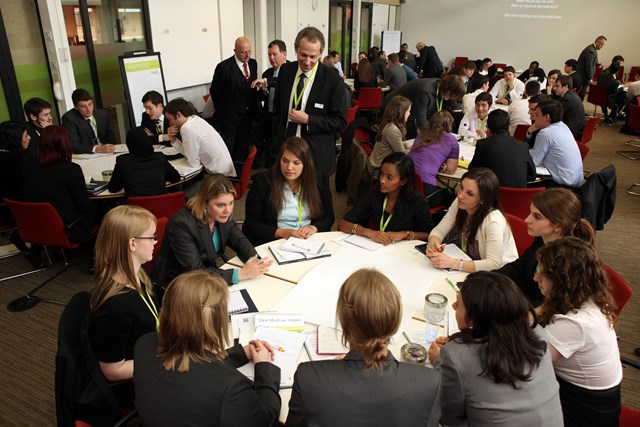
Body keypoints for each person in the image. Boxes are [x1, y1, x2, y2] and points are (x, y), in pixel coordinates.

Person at [286, 268, 441, 427]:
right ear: (395, 322)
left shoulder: (309, 378)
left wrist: (330, 370)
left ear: (344, 322)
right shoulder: (430, 382)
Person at [134, 270, 281, 427]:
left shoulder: (144, 343)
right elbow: (267, 420)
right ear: (217, 323)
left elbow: (197, 367)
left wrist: (240, 353)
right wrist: (264, 367)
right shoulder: (230, 388)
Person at [428, 271, 563, 426]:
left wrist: (439, 361)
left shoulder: (456, 356)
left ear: (475, 318)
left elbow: (449, 418)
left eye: (458, 304)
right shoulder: (537, 332)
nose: (453, 306)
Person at [535, 238, 622, 427]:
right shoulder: (585, 295)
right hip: (585, 397)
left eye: (544, 274)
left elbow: (525, 363)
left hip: (583, 412)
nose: (536, 277)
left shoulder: (576, 323)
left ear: (564, 281)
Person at [90, 205, 158, 404]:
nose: (155, 241)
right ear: (133, 244)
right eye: (152, 236)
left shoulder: (138, 276)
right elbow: (113, 371)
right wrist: (165, 359)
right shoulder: (116, 305)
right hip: (138, 380)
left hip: (152, 349)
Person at [153, 174, 272, 287]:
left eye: (231, 203)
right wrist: (240, 274)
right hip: (181, 282)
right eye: (220, 205)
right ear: (205, 203)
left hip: (209, 272)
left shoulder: (220, 216)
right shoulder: (181, 225)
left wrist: (256, 261)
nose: (228, 210)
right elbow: (195, 271)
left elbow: (240, 241)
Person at [272, 26, 346, 186]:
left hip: (315, 155)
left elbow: (339, 122)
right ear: (295, 49)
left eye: (313, 57)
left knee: (315, 205)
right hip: (286, 152)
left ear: (321, 53)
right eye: (303, 55)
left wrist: (309, 119)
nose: (307, 61)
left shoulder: (333, 81)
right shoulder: (285, 71)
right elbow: (277, 110)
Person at [497, 188, 595, 307]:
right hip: (526, 301)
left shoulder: (567, 260)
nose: (527, 220)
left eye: (537, 217)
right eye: (530, 213)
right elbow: (518, 267)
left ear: (558, 225)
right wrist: (487, 278)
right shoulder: (542, 239)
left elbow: (550, 306)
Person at [243, 137, 334, 246]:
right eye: (285, 161)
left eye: (296, 163)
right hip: (274, 241)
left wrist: (314, 227)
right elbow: (251, 225)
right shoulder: (262, 182)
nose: (289, 168)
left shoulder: (318, 180)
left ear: (306, 164)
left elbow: (329, 216)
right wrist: (282, 232)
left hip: (309, 240)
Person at [426, 168, 518, 272]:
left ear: (483, 199)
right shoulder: (460, 203)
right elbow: (439, 230)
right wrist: (434, 244)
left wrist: (453, 263)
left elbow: (493, 263)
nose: (460, 195)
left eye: (470, 193)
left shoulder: (493, 221)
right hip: (469, 265)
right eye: (461, 187)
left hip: (497, 276)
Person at [339, 152, 434, 245]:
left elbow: (430, 235)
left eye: (389, 177)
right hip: (377, 250)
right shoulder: (375, 194)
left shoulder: (417, 201)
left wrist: (405, 234)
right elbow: (343, 224)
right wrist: (369, 232)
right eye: (381, 174)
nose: (382, 180)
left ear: (403, 181)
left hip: (403, 253)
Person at [21, 125, 94, 244]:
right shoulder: (70, 169)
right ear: (64, 144)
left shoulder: (27, 165)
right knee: (105, 209)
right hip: (69, 226)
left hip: (38, 224)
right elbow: (85, 207)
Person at [210, 36, 258, 162]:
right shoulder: (224, 67)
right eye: (243, 52)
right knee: (228, 148)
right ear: (235, 51)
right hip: (229, 118)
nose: (247, 55)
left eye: (249, 51)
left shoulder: (253, 63)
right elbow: (215, 92)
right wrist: (225, 110)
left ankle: (239, 174)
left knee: (243, 147)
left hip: (247, 116)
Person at [163, 98, 236, 177]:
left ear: (178, 115)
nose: (170, 124)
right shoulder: (195, 119)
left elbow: (193, 163)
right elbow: (191, 155)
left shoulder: (187, 128)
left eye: (170, 119)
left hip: (218, 177)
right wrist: (173, 139)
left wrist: (172, 139)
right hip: (226, 170)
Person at [0, 121, 39, 264]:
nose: (29, 138)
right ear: (16, 140)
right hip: (10, 212)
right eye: (26, 135)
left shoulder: (6, 157)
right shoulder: (16, 164)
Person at [382, 75, 466, 138]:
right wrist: (432, 135)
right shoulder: (425, 91)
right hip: (393, 106)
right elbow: (420, 119)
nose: (450, 99)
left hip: (408, 109)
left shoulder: (441, 88)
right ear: (448, 89)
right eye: (452, 96)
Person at [469, 109, 536, 188]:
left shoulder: (483, 144)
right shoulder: (523, 146)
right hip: (518, 198)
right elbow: (532, 176)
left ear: (488, 128)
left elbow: (472, 171)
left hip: (491, 196)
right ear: (508, 128)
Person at [107, 127, 181, 197]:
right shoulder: (159, 157)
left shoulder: (123, 161)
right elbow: (176, 177)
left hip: (135, 208)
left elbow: (113, 188)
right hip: (162, 206)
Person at [529, 100, 584, 188]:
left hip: (561, 186)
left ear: (547, 117)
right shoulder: (563, 126)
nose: (534, 118)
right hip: (576, 181)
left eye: (537, 115)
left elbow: (533, 162)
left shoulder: (545, 133)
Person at [251, 39, 288, 167]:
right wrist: (264, 90)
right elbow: (262, 97)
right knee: (269, 147)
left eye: (274, 54)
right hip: (268, 116)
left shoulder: (290, 70)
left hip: (283, 117)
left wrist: (267, 82)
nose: (271, 58)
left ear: (284, 54)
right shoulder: (267, 72)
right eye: (269, 55)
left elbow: (280, 81)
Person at [409, 111, 458, 207]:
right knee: (450, 193)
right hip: (424, 191)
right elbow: (450, 170)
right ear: (449, 125)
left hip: (405, 185)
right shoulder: (451, 140)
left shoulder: (421, 134)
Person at [62, 88, 116, 154]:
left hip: (106, 153)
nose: (89, 109)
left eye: (90, 104)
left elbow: (110, 137)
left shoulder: (102, 115)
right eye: (83, 106)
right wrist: (97, 149)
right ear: (76, 107)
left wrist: (110, 147)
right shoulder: (69, 118)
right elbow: (74, 146)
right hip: (87, 155)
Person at [369, 95, 413, 173]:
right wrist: (414, 149)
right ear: (401, 112)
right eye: (408, 111)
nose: (409, 114)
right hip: (379, 169)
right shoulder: (392, 129)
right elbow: (402, 155)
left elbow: (396, 143)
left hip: (379, 163)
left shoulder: (389, 124)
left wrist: (406, 145)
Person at [554, 75, 586, 139]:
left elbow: (553, 112)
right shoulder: (571, 94)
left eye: (557, 86)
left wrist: (549, 93)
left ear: (565, 87)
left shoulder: (567, 99)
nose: (554, 88)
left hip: (573, 131)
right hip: (577, 127)